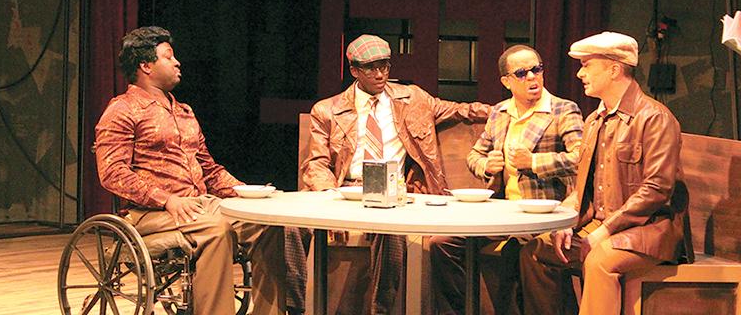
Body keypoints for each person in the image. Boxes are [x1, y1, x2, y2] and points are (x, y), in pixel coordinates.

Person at [285, 34, 491, 315]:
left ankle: (381, 310)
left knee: (390, 227)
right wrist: (327, 196)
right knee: (291, 226)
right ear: (355, 71)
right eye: (371, 68)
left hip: (392, 190)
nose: (380, 74)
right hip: (344, 191)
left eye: (385, 66)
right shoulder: (328, 110)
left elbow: (461, 111)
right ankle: (292, 307)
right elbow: (317, 162)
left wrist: (504, 111)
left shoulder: (413, 99)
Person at [94, 26, 286, 315]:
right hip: (150, 213)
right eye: (168, 57)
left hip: (197, 205)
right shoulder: (123, 110)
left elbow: (209, 169)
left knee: (267, 224)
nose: (177, 62)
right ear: (146, 66)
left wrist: (247, 193)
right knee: (216, 229)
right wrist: (166, 199)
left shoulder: (184, 112)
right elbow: (112, 172)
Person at [519, 31, 686, 315]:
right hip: (598, 225)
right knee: (535, 251)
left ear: (613, 69)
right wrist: (566, 223)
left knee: (599, 260)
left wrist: (606, 230)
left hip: (648, 231)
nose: (580, 73)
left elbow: (656, 189)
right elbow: (581, 186)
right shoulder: (594, 120)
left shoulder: (654, 118)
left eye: (587, 65)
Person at [429, 45, 584, 315]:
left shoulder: (562, 110)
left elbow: (580, 159)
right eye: (522, 73)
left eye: (537, 69)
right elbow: (475, 155)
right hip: (503, 212)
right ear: (506, 81)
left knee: (524, 256)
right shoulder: (500, 112)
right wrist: (487, 166)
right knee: (441, 243)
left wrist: (534, 162)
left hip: (543, 213)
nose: (532, 78)